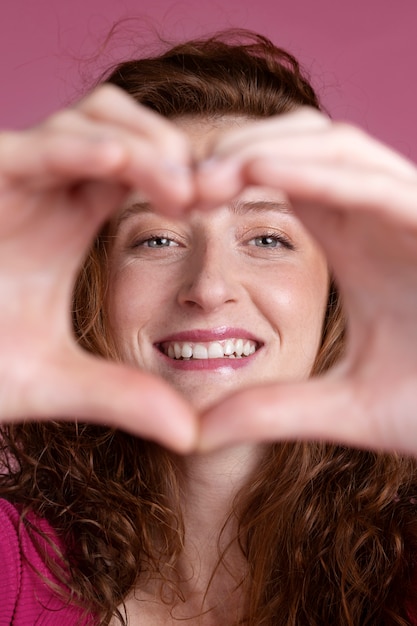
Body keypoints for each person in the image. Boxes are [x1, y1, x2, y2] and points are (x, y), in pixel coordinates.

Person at [0, 29, 417, 625]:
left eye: (268, 238)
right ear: (86, 287)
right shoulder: (13, 569)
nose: (208, 286)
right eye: (158, 238)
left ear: (339, 292)